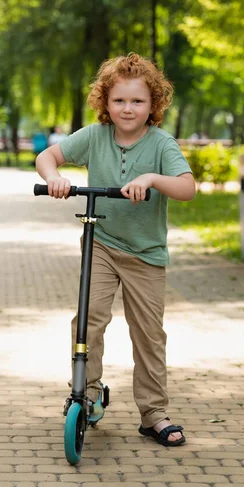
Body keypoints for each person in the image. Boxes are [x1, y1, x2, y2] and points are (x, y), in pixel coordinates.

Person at [36, 53, 195, 446]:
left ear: (153, 105)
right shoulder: (93, 136)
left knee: (148, 333)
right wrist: (55, 177)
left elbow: (188, 188)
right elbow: (47, 156)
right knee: (88, 318)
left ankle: (154, 412)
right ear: (105, 103)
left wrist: (154, 179)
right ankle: (85, 395)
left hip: (146, 253)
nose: (128, 108)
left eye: (138, 101)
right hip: (102, 243)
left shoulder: (161, 144)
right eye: (119, 100)